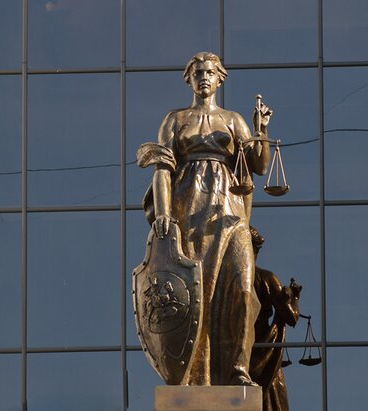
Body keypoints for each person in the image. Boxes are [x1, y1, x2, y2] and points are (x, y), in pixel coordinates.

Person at [137, 51, 272, 385]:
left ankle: (238, 368)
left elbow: (259, 165)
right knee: (198, 293)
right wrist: (164, 214)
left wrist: (261, 131)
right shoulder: (175, 119)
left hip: (230, 214)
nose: (204, 78)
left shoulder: (233, 120)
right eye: (198, 73)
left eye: (210, 73)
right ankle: (194, 375)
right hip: (189, 210)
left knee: (242, 289)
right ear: (190, 80)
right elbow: (162, 169)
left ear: (219, 79)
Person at [248, 226, 302, 411]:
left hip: (238, 350)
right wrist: (294, 298)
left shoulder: (226, 280)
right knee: (271, 400)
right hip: (263, 350)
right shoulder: (266, 278)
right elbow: (291, 317)